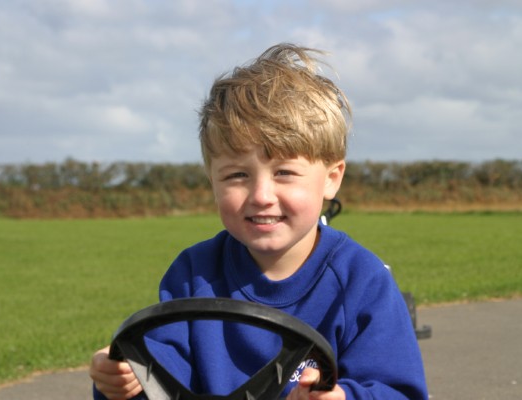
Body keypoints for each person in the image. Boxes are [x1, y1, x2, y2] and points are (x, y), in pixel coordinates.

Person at [90, 43, 428, 400]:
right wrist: (123, 379)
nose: (261, 195)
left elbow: (397, 390)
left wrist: (343, 397)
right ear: (212, 180)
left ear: (331, 178)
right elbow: (161, 372)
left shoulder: (361, 280)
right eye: (237, 175)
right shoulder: (194, 273)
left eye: (284, 172)